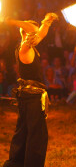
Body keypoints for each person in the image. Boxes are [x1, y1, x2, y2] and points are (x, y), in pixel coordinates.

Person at [3, 13, 58, 167]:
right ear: (26, 33)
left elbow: (39, 32)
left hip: (28, 98)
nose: (36, 34)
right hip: (32, 99)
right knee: (36, 136)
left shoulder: (28, 46)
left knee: (23, 132)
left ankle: (15, 164)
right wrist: (12, 20)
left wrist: (47, 21)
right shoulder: (25, 49)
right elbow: (34, 29)